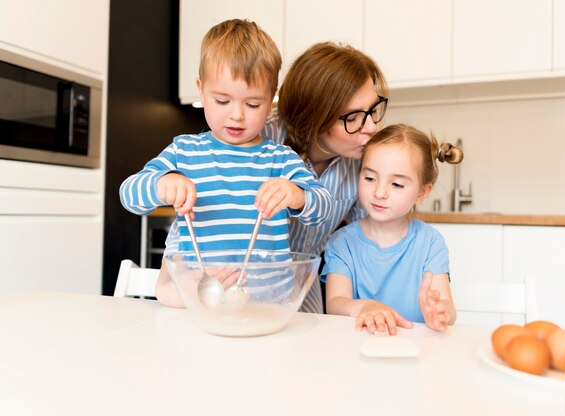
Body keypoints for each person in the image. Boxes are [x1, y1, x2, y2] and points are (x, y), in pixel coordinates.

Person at [163, 41, 389, 313]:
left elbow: (366, 240)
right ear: (315, 116)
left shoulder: (361, 164)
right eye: (354, 117)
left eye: (373, 111)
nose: (372, 127)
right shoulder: (254, 138)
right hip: (229, 287)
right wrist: (170, 281)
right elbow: (196, 212)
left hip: (300, 293)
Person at [119, 19, 331, 307]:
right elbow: (129, 195)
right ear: (201, 90)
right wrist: (160, 184)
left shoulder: (280, 158)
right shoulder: (184, 150)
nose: (237, 116)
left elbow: (323, 210)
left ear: (271, 103)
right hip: (203, 300)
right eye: (222, 101)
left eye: (253, 104)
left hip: (268, 305)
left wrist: (297, 196)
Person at [322, 124, 463, 334]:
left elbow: (447, 306)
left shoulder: (430, 243)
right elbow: (334, 304)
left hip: (416, 349)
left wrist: (440, 312)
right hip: (358, 348)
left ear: (422, 193)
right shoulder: (342, 242)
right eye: (369, 178)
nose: (379, 192)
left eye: (396, 184)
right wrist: (364, 306)